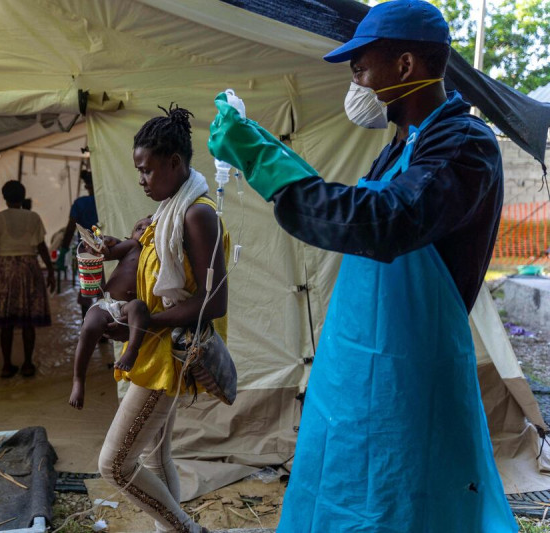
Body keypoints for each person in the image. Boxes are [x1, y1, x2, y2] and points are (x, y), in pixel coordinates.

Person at [208, 1, 515, 531]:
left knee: (406, 500)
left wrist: (268, 165)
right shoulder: (401, 147)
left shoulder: (465, 145)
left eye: (361, 66)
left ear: (405, 66)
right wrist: (266, 155)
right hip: (355, 370)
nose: (357, 81)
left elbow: (386, 220)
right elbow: (356, 210)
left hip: (411, 372)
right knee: (345, 490)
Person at [97, 105, 228, 533]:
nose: (141, 180)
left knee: (115, 465)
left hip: (167, 357)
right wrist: (126, 246)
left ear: (175, 163)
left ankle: (188, 530)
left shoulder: (196, 214)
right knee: (155, 455)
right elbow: (156, 272)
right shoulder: (170, 209)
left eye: (147, 171)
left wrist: (144, 324)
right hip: (156, 345)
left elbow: (215, 300)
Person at [69, 216, 152, 410]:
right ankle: (78, 380)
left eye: (150, 227)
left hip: (127, 308)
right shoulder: (132, 246)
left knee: (139, 307)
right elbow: (107, 252)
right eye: (138, 227)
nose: (143, 229)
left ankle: (132, 350)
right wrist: (103, 242)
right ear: (130, 235)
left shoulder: (158, 254)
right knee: (89, 327)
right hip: (108, 303)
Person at [0, 180, 55, 378]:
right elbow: (41, 248)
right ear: (23, 197)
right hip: (28, 268)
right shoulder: (33, 218)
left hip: (5, 269)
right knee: (28, 319)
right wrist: (51, 270)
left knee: (6, 320)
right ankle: (28, 364)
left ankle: (6, 366)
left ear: (4, 198)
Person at [59, 168, 98, 313]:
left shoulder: (79, 204)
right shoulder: (106, 202)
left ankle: (86, 323)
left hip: (86, 249)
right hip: (106, 248)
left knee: (86, 288)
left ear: (86, 186)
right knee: (105, 287)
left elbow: (70, 229)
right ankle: (104, 327)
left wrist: (63, 250)